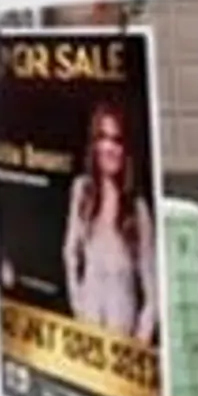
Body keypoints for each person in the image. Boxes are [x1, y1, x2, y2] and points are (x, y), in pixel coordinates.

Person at [60, 100, 158, 342]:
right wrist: (77, 302)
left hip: (122, 329)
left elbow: (153, 292)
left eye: (118, 140)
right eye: (103, 138)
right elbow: (70, 252)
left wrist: (140, 340)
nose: (110, 148)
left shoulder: (138, 209)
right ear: (94, 145)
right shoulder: (82, 191)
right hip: (88, 327)